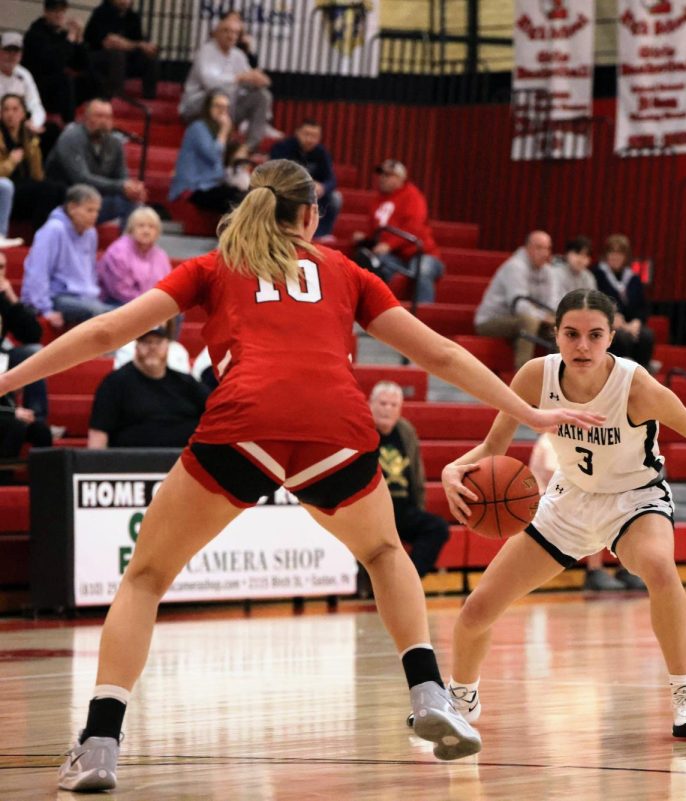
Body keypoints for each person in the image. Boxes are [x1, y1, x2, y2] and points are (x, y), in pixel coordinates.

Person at [0, 158, 602, 791]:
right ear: (312, 217)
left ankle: (99, 745)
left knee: (147, 576)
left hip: (245, 421)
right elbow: (442, 352)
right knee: (383, 551)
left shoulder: (212, 266)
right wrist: (528, 410)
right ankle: (429, 693)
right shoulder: (345, 270)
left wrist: (8, 378)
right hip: (335, 425)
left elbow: (107, 329)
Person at [442, 288, 686, 739]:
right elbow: (493, 449)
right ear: (555, 335)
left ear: (611, 337)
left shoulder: (637, 388)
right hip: (568, 499)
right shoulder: (535, 376)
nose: (582, 346)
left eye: (594, 335)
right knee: (477, 610)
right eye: (571, 334)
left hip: (635, 498)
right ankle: (461, 697)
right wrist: (454, 467)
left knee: (657, 565)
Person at [529, 431, 645, 591]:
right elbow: (555, 480)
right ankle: (594, 570)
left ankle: (626, 567)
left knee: (623, 504)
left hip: (568, 494)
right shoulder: (550, 440)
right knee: (594, 504)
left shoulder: (574, 438)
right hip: (548, 498)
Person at [369, 381, 449, 579]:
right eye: (383, 403)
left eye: (393, 405)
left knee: (437, 528)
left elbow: (416, 472)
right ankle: (371, 586)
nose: (387, 409)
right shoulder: (363, 429)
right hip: (371, 511)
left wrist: (419, 505)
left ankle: (406, 581)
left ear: (400, 409)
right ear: (370, 404)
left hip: (403, 510)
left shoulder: (405, 431)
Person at [87, 326, 208, 449]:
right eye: (146, 342)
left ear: (167, 346)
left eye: (158, 342)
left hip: (183, 461)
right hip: (133, 462)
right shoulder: (114, 383)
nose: (152, 347)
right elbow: (99, 432)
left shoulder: (186, 382)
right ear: (136, 346)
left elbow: (214, 411)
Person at [20, 183, 116, 329]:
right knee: (97, 314)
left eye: (97, 211)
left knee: (117, 314)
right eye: (89, 210)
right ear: (72, 208)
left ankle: (112, 353)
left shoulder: (91, 233)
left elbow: (90, 272)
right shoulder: (53, 229)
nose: (95, 216)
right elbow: (37, 272)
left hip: (85, 296)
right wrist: (45, 309)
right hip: (57, 296)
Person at [179, 12, 273, 151]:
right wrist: (240, 77)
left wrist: (260, 80)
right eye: (226, 31)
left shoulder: (238, 55)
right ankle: (220, 144)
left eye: (236, 33)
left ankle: (248, 148)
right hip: (197, 107)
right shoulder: (206, 51)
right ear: (216, 32)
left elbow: (248, 79)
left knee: (262, 96)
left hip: (230, 108)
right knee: (221, 94)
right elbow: (210, 83)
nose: (231, 36)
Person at [45, 98, 146, 225]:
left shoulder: (115, 143)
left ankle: (127, 244)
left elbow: (122, 177)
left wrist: (132, 189)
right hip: (68, 202)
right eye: (99, 116)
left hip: (96, 201)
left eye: (108, 117)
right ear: (85, 117)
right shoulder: (71, 137)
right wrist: (121, 187)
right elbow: (81, 178)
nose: (104, 121)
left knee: (132, 200)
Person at [357, 159, 443, 302]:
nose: (382, 178)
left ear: (400, 178)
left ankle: (423, 318)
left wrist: (389, 245)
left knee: (422, 271)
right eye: (381, 174)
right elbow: (378, 231)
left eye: (388, 175)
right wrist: (365, 238)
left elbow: (414, 228)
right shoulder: (377, 200)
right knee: (372, 264)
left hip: (421, 253)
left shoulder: (413, 196)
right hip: (394, 256)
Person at [474, 230, 559, 369]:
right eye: (539, 248)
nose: (545, 253)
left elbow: (552, 302)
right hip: (492, 320)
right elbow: (519, 306)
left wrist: (554, 318)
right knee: (529, 321)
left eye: (548, 248)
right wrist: (545, 316)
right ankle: (522, 376)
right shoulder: (515, 267)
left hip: (523, 319)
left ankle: (561, 375)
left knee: (561, 326)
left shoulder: (548, 271)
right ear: (528, 248)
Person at [167, 90, 244, 212]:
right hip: (194, 187)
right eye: (218, 106)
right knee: (235, 200)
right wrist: (224, 131)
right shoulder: (198, 128)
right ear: (208, 107)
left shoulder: (218, 130)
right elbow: (212, 155)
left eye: (225, 107)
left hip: (213, 185)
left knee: (245, 197)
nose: (222, 111)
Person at [21, 0, 89, 133]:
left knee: (91, 79)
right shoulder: (35, 34)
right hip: (36, 84)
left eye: (62, 11)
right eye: (55, 11)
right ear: (46, 12)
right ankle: (69, 123)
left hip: (55, 86)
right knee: (65, 79)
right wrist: (70, 39)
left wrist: (79, 39)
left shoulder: (61, 35)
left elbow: (82, 64)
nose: (59, 15)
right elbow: (52, 62)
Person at [0, 93, 64, 232]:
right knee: (46, 190)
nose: (10, 114)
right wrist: (10, 162)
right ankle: (41, 236)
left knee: (60, 190)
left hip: (25, 189)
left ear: (23, 114)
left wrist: (34, 148)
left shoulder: (28, 138)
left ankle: (53, 235)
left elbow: (37, 175)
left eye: (15, 109)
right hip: (6, 190)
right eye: (6, 109)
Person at [269, 119, 341, 240]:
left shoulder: (322, 153)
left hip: (311, 193)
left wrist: (323, 187)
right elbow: (274, 173)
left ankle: (322, 234)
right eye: (306, 134)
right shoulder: (282, 148)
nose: (310, 139)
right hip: (287, 190)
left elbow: (331, 179)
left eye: (314, 136)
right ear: (297, 133)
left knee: (336, 198)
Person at [0, 250, 49, 425]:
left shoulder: (4, 299)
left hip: (2, 355)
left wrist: (13, 299)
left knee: (34, 352)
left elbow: (33, 335)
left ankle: (37, 419)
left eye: (2, 267)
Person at [592, 234, 655, 369]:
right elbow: (596, 301)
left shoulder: (633, 279)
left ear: (626, 256)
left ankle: (643, 373)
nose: (615, 256)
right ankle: (619, 375)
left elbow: (642, 307)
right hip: (609, 322)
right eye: (612, 252)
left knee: (646, 336)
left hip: (630, 323)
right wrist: (612, 319)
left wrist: (637, 322)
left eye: (619, 253)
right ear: (606, 254)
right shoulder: (597, 274)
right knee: (621, 337)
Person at [83, 0, 159, 101]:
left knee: (149, 56)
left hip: (125, 59)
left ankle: (149, 97)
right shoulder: (102, 13)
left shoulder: (133, 17)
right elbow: (111, 42)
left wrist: (146, 47)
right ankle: (116, 95)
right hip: (98, 56)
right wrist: (137, 45)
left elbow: (139, 41)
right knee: (117, 54)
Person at [97, 206, 171, 305]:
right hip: (118, 302)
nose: (146, 231)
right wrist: (149, 304)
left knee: (176, 314)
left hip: (149, 304)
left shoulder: (161, 256)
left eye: (151, 227)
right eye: (141, 226)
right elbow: (119, 291)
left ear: (157, 232)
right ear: (131, 229)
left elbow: (167, 287)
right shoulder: (118, 251)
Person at [0, 33, 46, 136]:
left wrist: (34, 123)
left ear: (21, 55)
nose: (11, 56)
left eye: (16, 52)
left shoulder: (24, 74)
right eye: (7, 51)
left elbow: (35, 104)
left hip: (19, 127)